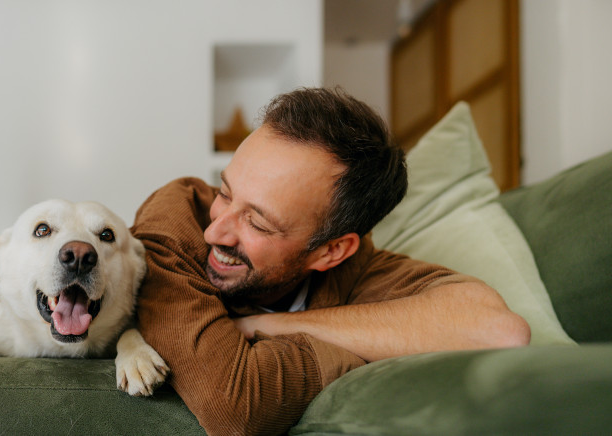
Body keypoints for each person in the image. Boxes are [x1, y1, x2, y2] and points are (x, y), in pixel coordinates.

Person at [129, 87, 530, 436]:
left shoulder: (359, 270)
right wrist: (354, 350)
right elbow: (234, 407)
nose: (215, 232)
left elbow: (499, 331)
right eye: (226, 192)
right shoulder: (175, 218)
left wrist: (266, 325)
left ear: (331, 252)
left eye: (258, 222)